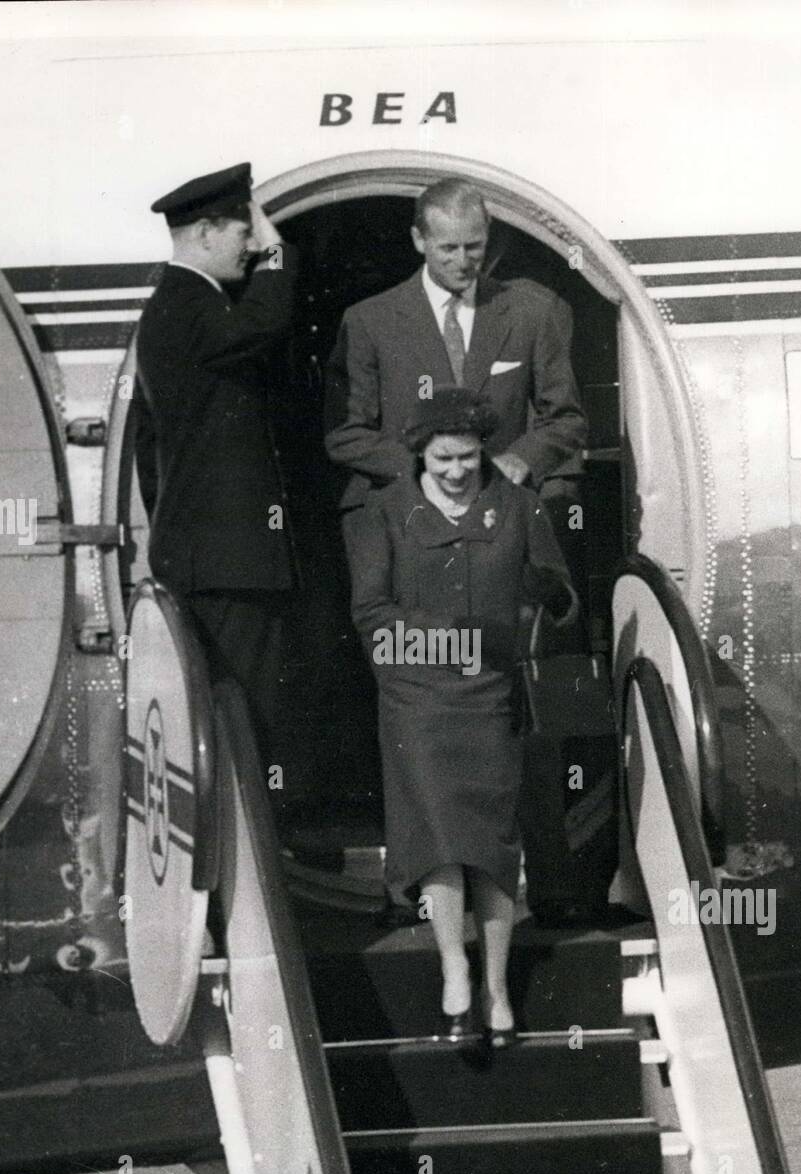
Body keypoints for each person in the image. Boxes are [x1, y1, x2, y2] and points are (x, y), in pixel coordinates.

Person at [324, 177, 596, 927]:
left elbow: (565, 418)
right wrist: (431, 468)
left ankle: (552, 881)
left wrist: (517, 463)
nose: (462, 261)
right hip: (412, 541)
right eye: (447, 248)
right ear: (419, 240)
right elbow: (345, 434)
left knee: (525, 705)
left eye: (474, 247)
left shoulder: (535, 311)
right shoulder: (370, 321)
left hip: (505, 539)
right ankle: (414, 887)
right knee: (417, 708)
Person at [347, 387, 578, 1045]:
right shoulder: (383, 513)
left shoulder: (519, 506)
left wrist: (551, 596)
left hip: (490, 697)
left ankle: (498, 987)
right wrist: (460, 641)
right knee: (440, 841)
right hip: (417, 699)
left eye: (469, 459)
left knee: (492, 845)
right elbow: (372, 615)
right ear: (422, 452)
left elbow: (562, 604)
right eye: (445, 458)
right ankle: (455, 969)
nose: (456, 471)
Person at [134, 161, 299, 762]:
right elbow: (263, 321)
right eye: (242, 231)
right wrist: (280, 253)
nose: (252, 246)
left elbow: (148, 456)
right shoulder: (187, 306)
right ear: (205, 232)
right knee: (250, 721)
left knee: (239, 718)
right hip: (228, 566)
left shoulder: (176, 308)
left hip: (211, 560)